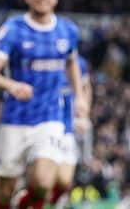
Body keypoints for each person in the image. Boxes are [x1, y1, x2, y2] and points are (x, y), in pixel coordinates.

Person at [0, 0, 88, 209]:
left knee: (42, 182)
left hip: (50, 117)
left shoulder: (67, 30)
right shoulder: (13, 29)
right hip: (15, 119)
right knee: (5, 190)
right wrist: (12, 85)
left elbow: (71, 63)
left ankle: (26, 201)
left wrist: (79, 96)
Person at [49, 55, 92, 206]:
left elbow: (86, 87)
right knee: (46, 171)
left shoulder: (80, 63)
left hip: (70, 124)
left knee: (69, 175)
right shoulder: (48, 60)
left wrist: (84, 114)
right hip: (48, 123)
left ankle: (63, 198)